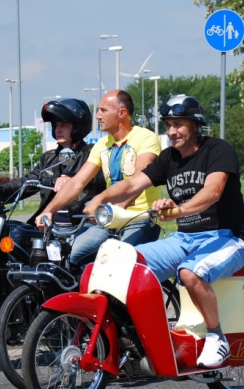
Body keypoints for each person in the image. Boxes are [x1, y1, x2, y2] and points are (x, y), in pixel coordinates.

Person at [85, 95, 244, 369]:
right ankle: (136, 338)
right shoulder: (169, 158)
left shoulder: (218, 150)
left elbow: (213, 192)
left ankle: (216, 337)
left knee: (190, 272)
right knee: (124, 262)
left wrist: (178, 210)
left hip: (227, 237)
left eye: (179, 124)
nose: (172, 131)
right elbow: (132, 185)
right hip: (184, 238)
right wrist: (98, 199)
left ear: (196, 125)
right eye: (168, 125)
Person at [36, 90, 162, 266]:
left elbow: (138, 181)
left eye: (103, 110)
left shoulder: (146, 138)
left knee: (116, 263)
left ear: (121, 113)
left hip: (140, 219)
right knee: (70, 258)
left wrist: (107, 205)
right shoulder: (102, 144)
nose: (97, 115)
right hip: (108, 220)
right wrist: (48, 210)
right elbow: (77, 183)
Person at [0, 98, 104, 227]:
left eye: (64, 125)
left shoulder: (91, 152)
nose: (58, 130)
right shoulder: (49, 158)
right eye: (56, 125)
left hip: (79, 225)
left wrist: (70, 177)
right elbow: (27, 182)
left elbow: (97, 176)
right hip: (47, 226)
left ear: (78, 127)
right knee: (12, 235)